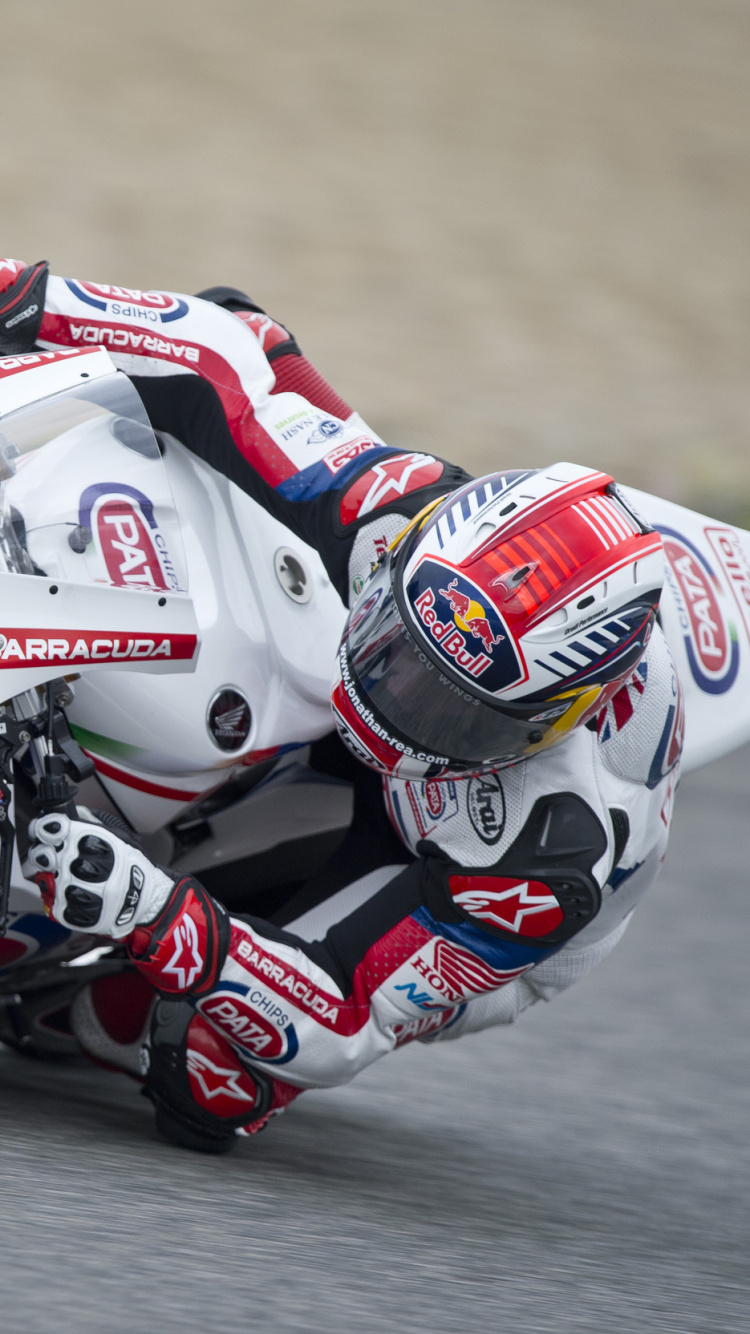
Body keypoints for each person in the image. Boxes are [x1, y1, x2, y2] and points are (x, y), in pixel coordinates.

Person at [1, 259, 683, 1152]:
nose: (389, 698)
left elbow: (346, 1016)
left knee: (214, 1073)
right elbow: (234, 349)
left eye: (451, 705)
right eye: (395, 646)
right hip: (407, 703)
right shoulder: (397, 516)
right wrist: (27, 299)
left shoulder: (545, 860)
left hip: (435, 867)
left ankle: (67, 1009)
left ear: (553, 720)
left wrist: (154, 913)